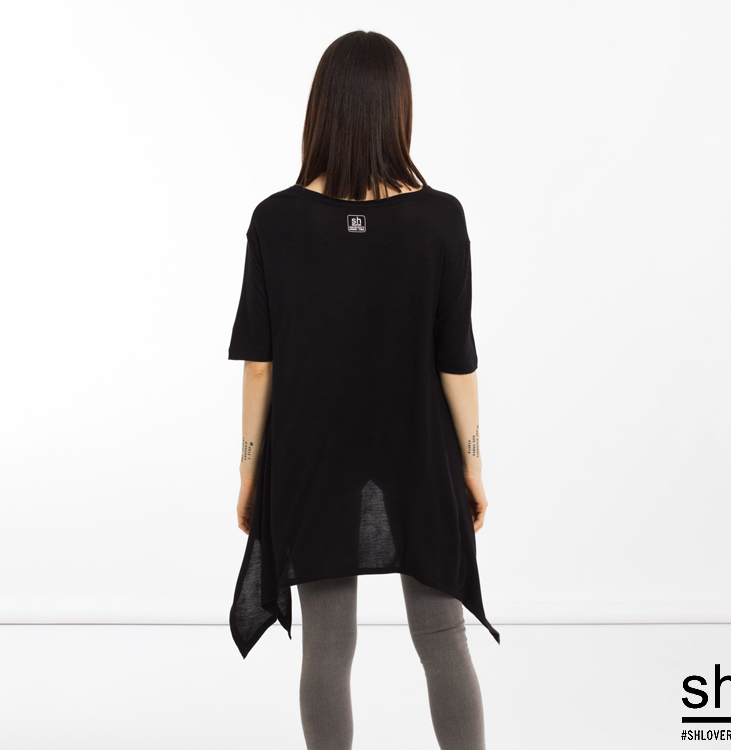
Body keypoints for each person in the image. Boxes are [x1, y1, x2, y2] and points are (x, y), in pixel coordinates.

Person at [228, 29, 500, 750]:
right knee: (441, 637)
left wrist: (250, 470)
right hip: (418, 449)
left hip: (312, 452)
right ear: (397, 110)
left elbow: (260, 365)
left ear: (322, 108)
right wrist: (472, 464)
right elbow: (456, 361)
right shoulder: (441, 218)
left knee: (326, 646)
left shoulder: (275, 220)